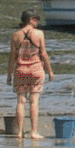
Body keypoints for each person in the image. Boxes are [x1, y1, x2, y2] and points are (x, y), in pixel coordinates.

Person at [10, 10, 52, 138]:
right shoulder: (39, 34)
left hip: (20, 70)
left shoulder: (16, 35)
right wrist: (49, 71)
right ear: (30, 20)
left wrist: (9, 74)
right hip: (36, 70)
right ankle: (33, 132)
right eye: (36, 20)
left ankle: (19, 132)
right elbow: (43, 54)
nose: (37, 23)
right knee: (34, 102)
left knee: (20, 102)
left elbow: (12, 57)